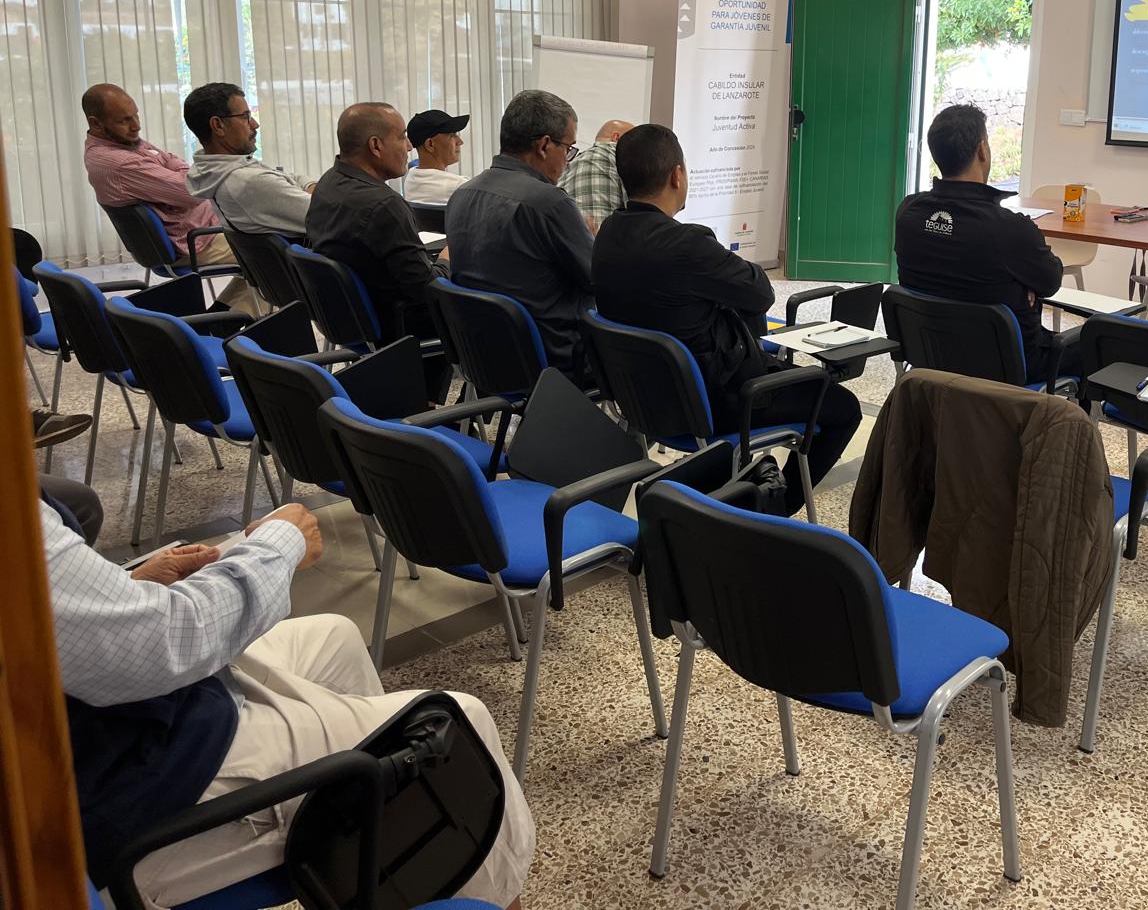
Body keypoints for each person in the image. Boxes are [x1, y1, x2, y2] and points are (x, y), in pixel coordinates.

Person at [40, 495, 534, 907]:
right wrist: (279, 545)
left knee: (335, 639)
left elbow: (45, 626)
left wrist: (131, 589)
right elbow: (165, 643)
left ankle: (375, 856)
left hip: (120, 718)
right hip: (125, 788)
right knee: (455, 724)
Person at [593, 125, 862, 513]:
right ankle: (774, 504)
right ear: (677, 175)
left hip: (644, 402)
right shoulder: (687, 245)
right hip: (715, 404)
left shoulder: (608, 236)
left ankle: (746, 487)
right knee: (843, 407)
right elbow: (760, 292)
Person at [894, 104, 1072, 385]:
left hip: (932, 357)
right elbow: (1050, 282)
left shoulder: (908, 213)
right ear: (982, 151)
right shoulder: (1010, 229)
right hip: (1011, 365)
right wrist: (1025, 286)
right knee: (1095, 343)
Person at [446, 90, 594, 380]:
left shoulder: (461, 195)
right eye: (568, 148)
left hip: (485, 355)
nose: (568, 160)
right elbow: (597, 281)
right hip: (555, 360)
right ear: (544, 145)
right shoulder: (550, 204)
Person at [304, 103, 451, 393]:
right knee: (482, 313)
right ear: (375, 145)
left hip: (348, 319)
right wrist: (447, 259)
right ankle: (450, 415)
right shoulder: (385, 205)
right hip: (394, 329)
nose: (409, 146)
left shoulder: (328, 183)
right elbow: (428, 291)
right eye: (402, 137)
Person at [80, 83, 257, 311]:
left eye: (135, 116)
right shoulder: (117, 162)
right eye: (124, 120)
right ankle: (224, 323)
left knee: (270, 248)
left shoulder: (125, 143)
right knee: (275, 257)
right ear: (96, 123)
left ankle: (222, 319)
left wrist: (176, 170)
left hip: (204, 228)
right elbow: (192, 190)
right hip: (197, 241)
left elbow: (172, 160)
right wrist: (179, 171)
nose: (137, 126)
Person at [183, 82, 316, 235]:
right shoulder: (248, 181)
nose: (255, 124)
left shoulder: (216, 170)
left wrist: (308, 185)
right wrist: (314, 189)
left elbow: (292, 177)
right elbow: (332, 217)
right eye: (245, 116)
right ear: (218, 126)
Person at [559, 118, 633, 233]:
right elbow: (639, 208)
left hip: (574, 243)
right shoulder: (620, 155)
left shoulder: (568, 166)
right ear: (616, 137)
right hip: (608, 245)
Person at [403, 109, 471, 203]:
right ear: (430, 144)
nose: (460, 142)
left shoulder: (410, 178)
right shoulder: (460, 186)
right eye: (452, 135)